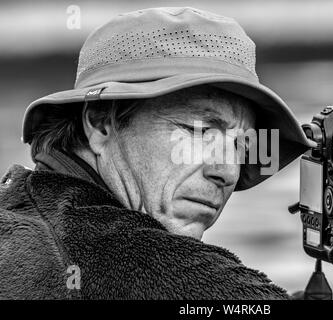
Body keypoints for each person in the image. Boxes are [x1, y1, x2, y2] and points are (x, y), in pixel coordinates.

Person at [0, 7, 313, 299]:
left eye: (241, 145)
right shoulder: (180, 273)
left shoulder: (18, 217)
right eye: (200, 130)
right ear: (100, 124)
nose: (228, 172)